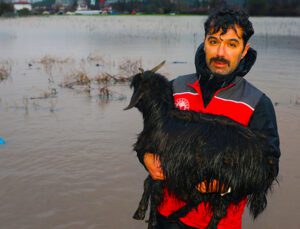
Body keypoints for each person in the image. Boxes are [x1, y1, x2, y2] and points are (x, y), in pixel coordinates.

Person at [140, 7, 280, 229]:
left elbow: (268, 167)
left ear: (244, 50)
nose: (220, 53)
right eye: (214, 41)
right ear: (204, 42)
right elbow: (150, 138)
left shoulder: (257, 104)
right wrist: (146, 157)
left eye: (232, 44)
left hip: (217, 223)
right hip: (164, 217)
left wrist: (226, 185)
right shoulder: (175, 88)